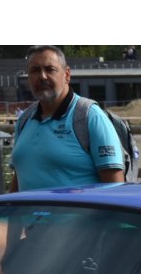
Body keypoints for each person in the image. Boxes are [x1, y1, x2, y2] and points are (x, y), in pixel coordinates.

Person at [10, 46, 124, 191]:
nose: (42, 76)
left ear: (67, 75)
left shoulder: (90, 117)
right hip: (28, 214)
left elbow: (115, 190)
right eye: (35, 70)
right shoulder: (24, 120)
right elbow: (19, 177)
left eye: (50, 69)